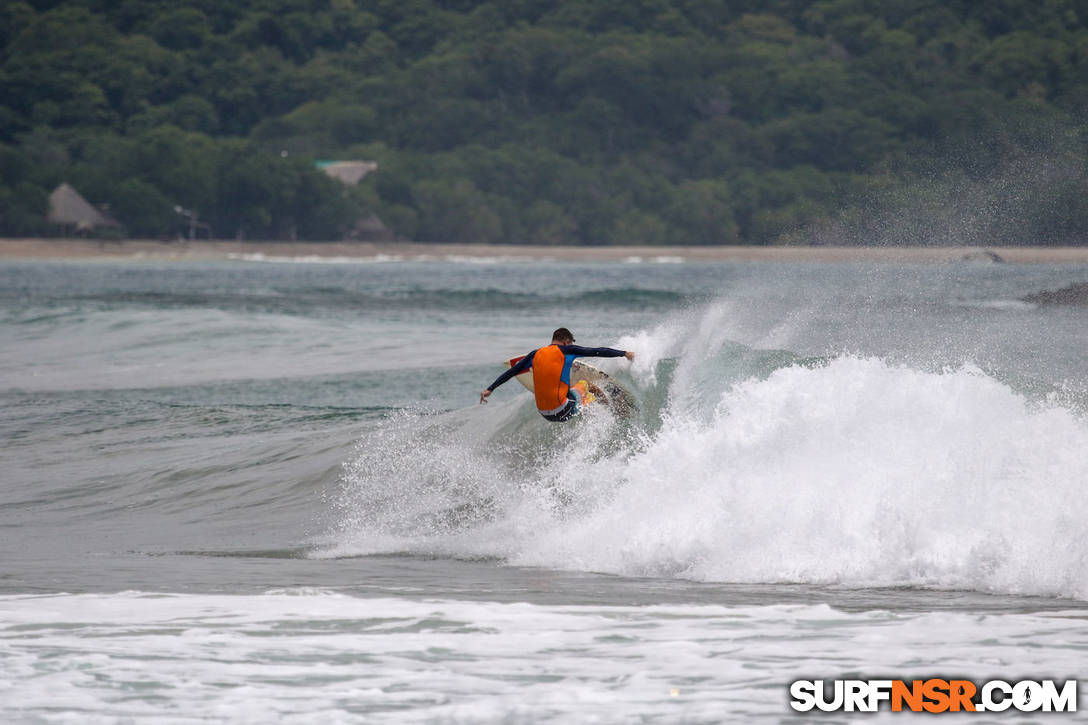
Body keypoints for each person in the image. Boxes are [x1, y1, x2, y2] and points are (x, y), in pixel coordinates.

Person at [479, 327, 634, 422]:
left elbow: (512, 372)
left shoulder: (535, 354)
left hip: (545, 414)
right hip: (563, 410)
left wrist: (490, 389)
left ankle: (588, 405)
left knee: (570, 388)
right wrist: (624, 353)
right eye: (571, 343)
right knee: (587, 385)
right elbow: (598, 351)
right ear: (566, 341)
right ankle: (613, 412)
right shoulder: (567, 350)